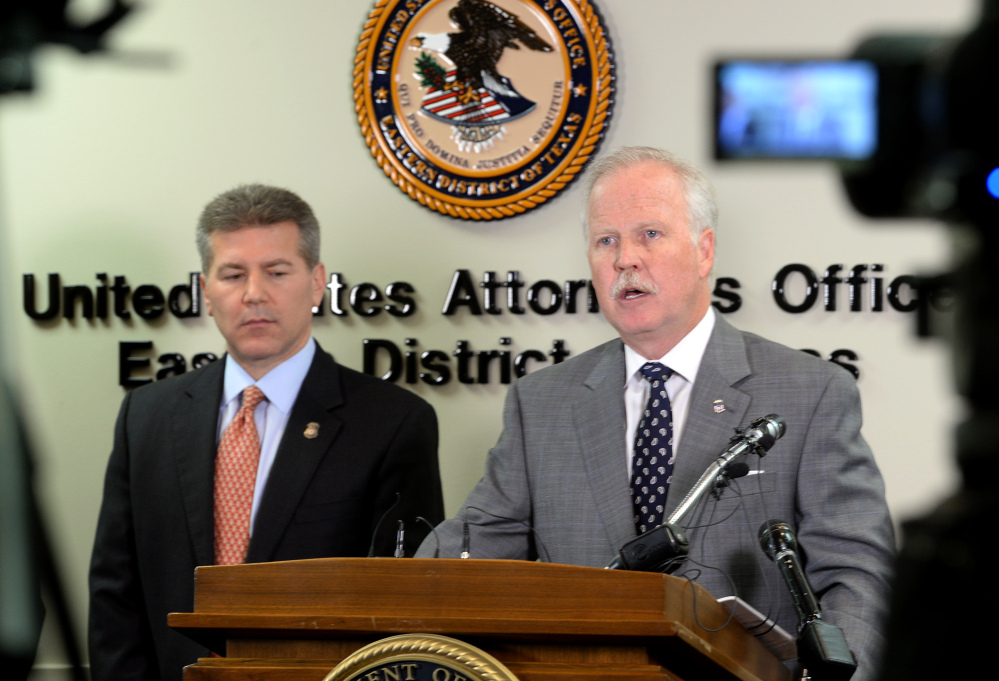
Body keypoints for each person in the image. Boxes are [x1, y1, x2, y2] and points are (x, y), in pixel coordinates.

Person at [416, 147, 894, 680]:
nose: (625, 260)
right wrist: (391, 582)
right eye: (606, 241)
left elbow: (858, 574)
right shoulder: (542, 403)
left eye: (649, 234)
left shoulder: (811, 393)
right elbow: (470, 555)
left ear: (704, 250)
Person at [89, 184, 445, 681]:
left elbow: (408, 607)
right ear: (206, 291)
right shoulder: (146, 416)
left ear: (317, 282)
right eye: (233, 274)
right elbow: (115, 594)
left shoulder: (393, 422)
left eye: (276, 272)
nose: (254, 293)